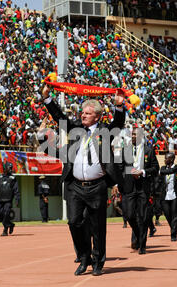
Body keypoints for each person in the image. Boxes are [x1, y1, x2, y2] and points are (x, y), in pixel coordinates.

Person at [42, 85, 125, 276]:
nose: (83, 116)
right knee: (74, 222)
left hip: (97, 186)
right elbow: (59, 117)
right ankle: (84, 257)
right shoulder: (76, 129)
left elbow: (118, 123)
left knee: (97, 227)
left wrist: (119, 106)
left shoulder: (105, 131)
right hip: (75, 186)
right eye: (83, 112)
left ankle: (98, 262)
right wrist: (47, 99)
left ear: (97, 116)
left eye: (88, 113)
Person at [118, 127, 159, 254]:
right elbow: (120, 168)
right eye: (132, 135)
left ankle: (142, 245)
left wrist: (143, 172)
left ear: (141, 136)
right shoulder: (126, 150)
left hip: (143, 187)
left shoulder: (149, 150)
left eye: (135, 135)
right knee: (129, 215)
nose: (133, 137)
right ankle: (138, 233)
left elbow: (155, 168)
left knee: (143, 216)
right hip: (129, 186)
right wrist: (118, 182)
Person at [0, 162, 20, 236]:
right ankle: (11, 225)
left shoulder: (13, 178)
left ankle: (5, 230)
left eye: (11, 168)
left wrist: (17, 199)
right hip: (0, 200)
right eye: (9, 168)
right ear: (5, 168)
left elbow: (16, 190)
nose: (11, 169)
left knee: (6, 214)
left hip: (8, 200)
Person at [158, 152, 177, 241]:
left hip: (175, 195)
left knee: (174, 214)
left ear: (171, 159)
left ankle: (173, 234)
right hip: (165, 195)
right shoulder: (163, 168)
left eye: (166, 158)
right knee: (167, 214)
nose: (164, 160)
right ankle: (174, 227)